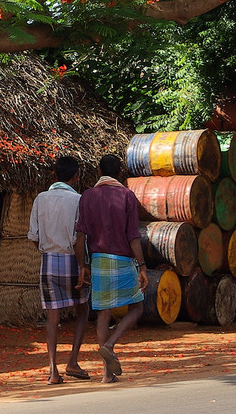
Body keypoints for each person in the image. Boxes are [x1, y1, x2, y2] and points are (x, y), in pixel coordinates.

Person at [75, 153, 147, 383]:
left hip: (98, 261)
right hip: (123, 260)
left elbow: (80, 237)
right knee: (136, 308)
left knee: (103, 314)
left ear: (99, 172)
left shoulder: (87, 196)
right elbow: (133, 236)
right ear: (120, 173)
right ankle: (110, 343)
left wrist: (82, 265)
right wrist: (143, 266)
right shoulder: (127, 195)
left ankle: (107, 374)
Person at [28, 156, 91, 384]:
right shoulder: (78, 200)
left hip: (48, 262)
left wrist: (47, 252)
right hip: (72, 262)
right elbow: (79, 238)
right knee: (82, 310)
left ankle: (52, 370)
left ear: (55, 176)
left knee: (52, 317)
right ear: (76, 177)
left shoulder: (40, 199)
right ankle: (73, 360)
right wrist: (83, 266)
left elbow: (33, 236)